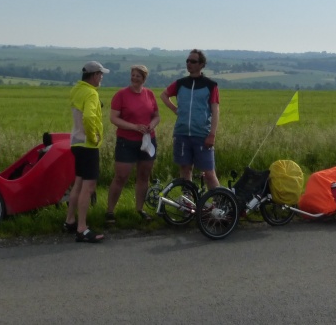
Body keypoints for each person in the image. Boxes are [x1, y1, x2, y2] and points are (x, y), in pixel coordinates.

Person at [106, 65, 160, 223]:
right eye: (133, 75)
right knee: (121, 176)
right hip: (126, 141)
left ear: (144, 78)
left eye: (138, 76)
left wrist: (152, 125)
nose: (135, 78)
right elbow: (114, 118)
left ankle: (139, 209)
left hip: (148, 140)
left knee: (143, 176)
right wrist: (134, 127)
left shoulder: (149, 94)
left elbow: (157, 116)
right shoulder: (121, 95)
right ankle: (110, 211)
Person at [160, 49, 220, 189]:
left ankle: (221, 205)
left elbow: (215, 110)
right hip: (182, 134)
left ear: (201, 64)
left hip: (202, 135)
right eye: (187, 61)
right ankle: (188, 203)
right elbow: (164, 95)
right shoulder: (180, 83)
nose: (189, 64)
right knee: (185, 170)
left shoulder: (210, 85)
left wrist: (212, 134)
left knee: (209, 173)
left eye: (193, 61)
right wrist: (175, 109)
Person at [64, 60, 108, 243]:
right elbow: (89, 117)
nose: (102, 78)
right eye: (101, 74)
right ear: (94, 75)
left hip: (75, 142)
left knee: (78, 183)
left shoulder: (76, 90)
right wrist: (93, 137)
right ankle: (82, 228)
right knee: (88, 188)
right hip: (88, 145)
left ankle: (70, 220)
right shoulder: (91, 93)